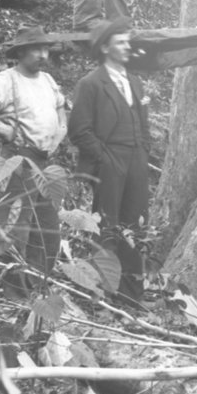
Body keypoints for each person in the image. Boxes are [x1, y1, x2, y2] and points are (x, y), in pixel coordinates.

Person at [0, 25, 68, 284]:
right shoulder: (6, 81)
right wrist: (1, 128)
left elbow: (62, 111)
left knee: (47, 231)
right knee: (15, 228)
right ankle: (13, 293)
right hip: (17, 161)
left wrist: (59, 134)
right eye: (35, 49)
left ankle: (38, 292)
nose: (42, 55)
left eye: (45, 48)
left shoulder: (48, 81)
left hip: (43, 163)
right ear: (20, 52)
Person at [68, 18, 151, 308]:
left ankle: (132, 296)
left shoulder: (135, 81)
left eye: (128, 42)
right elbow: (78, 129)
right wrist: (104, 159)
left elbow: (142, 124)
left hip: (136, 160)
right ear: (105, 47)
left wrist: (143, 151)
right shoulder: (90, 84)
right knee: (108, 227)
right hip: (109, 161)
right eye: (121, 42)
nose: (128, 47)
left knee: (136, 225)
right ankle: (105, 296)